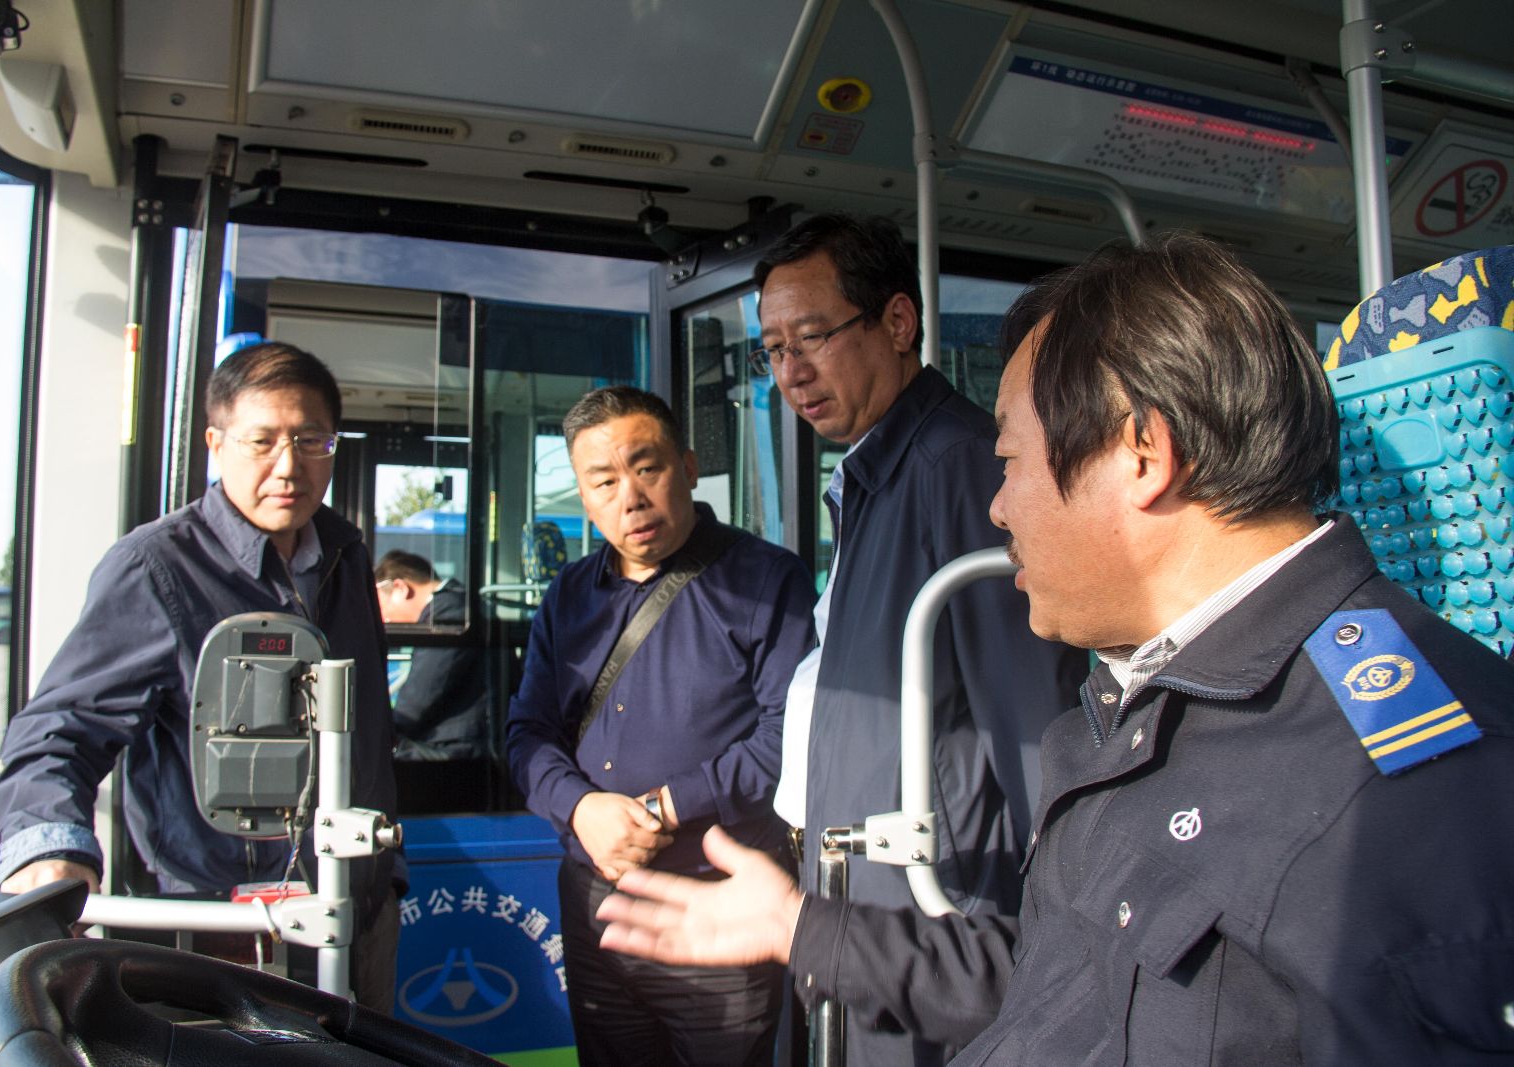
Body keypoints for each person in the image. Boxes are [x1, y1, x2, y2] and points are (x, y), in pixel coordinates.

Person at [595, 234, 1514, 1064]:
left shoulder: (1416, 795)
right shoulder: (1125, 712)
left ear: (1142, 454)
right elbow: (1054, 978)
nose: (997, 507)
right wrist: (803, 926)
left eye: (1011, 461)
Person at [0, 342, 402, 1011]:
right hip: (224, 934)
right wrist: (49, 851)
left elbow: (366, 732)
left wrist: (387, 875)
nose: (288, 466)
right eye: (261, 441)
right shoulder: (157, 567)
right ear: (216, 442)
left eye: (311, 441)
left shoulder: (345, 555)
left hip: (356, 913)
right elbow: (58, 730)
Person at [754, 214, 1079, 1065]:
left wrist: (1050, 944)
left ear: (897, 322)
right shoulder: (873, 474)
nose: (791, 372)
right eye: (773, 349)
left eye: (812, 337)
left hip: (941, 918)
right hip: (870, 911)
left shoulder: (957, 467)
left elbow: (1035, 729)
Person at [505, 385, 816, 1066]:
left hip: (720, 906)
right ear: (583, 497)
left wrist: (662, 808)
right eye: (604, 481)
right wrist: (581, 808)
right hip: (596, 906)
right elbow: (527, 732)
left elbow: (791, 738)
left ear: (689, 466)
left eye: (647, 468)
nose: (631, 497)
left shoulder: (767, 580)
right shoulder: (568, 596)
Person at [374, 549, 490, 761]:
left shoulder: (448, 613)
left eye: (382, 609)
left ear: (400, 589)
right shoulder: (455, 606)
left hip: (456, 747)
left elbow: (421, 696)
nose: (385, 620)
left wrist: (381, 732)